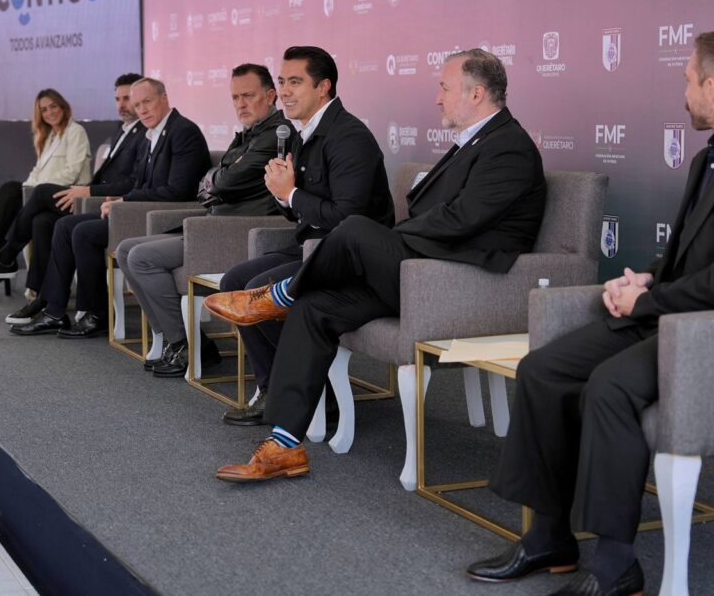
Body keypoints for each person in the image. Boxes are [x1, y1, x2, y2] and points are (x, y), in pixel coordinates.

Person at [468, 28, 714, 595]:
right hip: (682, 319)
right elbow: (702, 254)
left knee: (607, 387)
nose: (683, 93)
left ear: (712, 85)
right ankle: (549, 539)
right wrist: (651, 277)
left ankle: (615, 570)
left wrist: (649, 300)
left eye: (687, 80)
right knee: (543, 370)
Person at [205, 48, 546, 481]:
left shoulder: (509, 146)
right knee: (314, 308)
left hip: (458, 283)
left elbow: (462, 221)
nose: (438, 99)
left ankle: (277, 295)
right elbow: (431, 216)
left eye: (444, 88)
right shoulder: (474, 142)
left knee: (354, 229)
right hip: (420, 271)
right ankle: (284, 444)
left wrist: (389, 239)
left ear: (476, 93)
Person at [209, 46, 394, 421]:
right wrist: (284, 193)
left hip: (347, 258)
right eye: (282, 82)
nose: (285, 92)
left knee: (259, 289)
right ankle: (275, 388)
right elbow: (296, 209)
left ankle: (306, 395)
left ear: (323, 87)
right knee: (234, 282)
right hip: (309, 246)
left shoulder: (349, 137)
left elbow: (348, 217)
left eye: (295, 82)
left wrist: (290, 192)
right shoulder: (297, 134)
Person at [115, 64, 297, 377]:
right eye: (235, 97)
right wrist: (218, 179)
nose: (240, 103)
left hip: (235, 233)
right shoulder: (248, 135)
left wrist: (218, 180)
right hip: (211, 226)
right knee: (126, 250)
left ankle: (186, 345)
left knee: (142, 257)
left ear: (270, 96)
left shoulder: (276, 136)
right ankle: (182, 342)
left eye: (248, 96)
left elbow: (224, 182)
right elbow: (215, 179)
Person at [11, 77, 211, 338]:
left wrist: (125, 202)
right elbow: (139, 183)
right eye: (137, 104)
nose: (142, 110)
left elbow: (179, 191)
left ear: (164, 98)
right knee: (64, 225)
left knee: (83, 233)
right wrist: (117, 202)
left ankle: (97, 315)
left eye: (147, 102)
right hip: (138, 212)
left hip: (164, 219)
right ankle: (55, 312)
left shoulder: (183, 132)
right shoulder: (151, 134)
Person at [0, 74, 145, 318]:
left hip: (95, 199)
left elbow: (127, 181)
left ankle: (5, 255)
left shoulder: (140, 134)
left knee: (35, 193)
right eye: (118, 99)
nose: (122, 104)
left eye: (128, 99)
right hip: (87, 196)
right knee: (39, 220)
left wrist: (86, 190)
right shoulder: (120, 131)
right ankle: (45, 300)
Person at [0, 89, 91, 265]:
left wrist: (36, 190)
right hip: (44, 193)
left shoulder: (76, 131)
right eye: (43, 109)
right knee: (10, 197)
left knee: (11, 192)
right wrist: (28, 190)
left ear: (63, 106)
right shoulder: (49, 136)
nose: (49, 112)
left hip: (66, 195)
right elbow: (37, 171)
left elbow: (72, 171)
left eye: (53, 106)